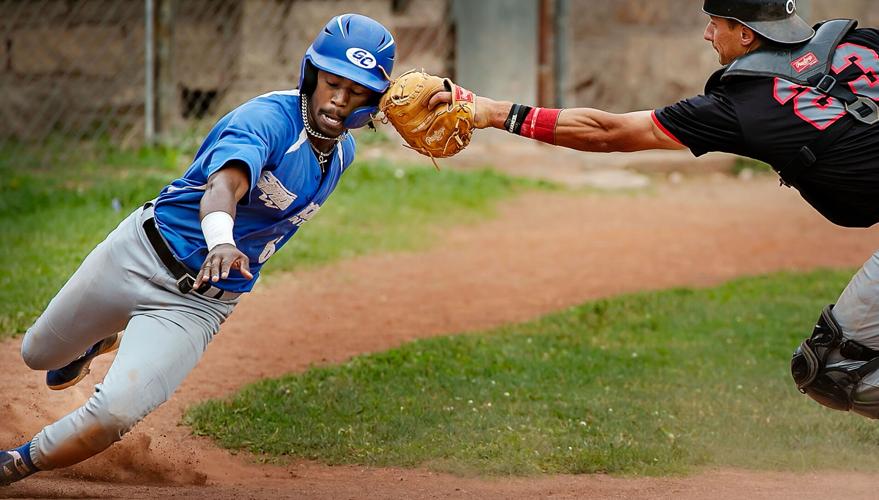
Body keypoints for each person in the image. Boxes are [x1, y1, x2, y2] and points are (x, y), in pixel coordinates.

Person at [0, 13, 396, 486]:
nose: (339, 99)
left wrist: (496, 114)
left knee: (113, 413)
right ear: (312, 75)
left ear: (374, 100)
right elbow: (223, 188)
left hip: (199, 305)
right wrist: (223, 242)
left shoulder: (342, 154)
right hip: (140, 253)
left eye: (357, 91)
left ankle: (19, 462)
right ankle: (98, 340)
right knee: (37, 354)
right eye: (333, 82)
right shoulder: (266, 120)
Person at [432, 0, 879, 419]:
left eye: (716, 23)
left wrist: (492, 112)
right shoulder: (859, 45)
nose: (707, 34)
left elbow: (606, 131)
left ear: (745, 35)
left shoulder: (741, 106)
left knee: (832, 371)